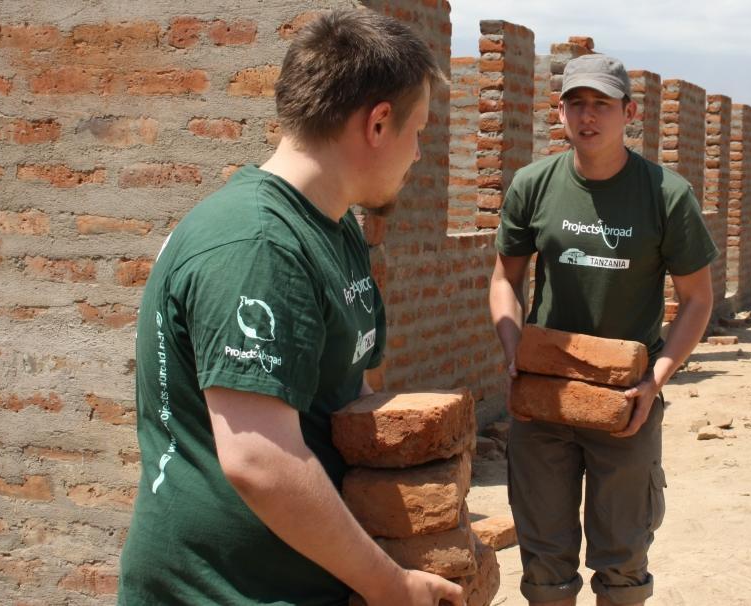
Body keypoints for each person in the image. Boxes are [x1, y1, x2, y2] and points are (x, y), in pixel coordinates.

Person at [118, 10, 463, 606]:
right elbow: (259, 459)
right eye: (420, 130)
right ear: (379, 122)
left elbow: (344, 395)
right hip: (223, 591)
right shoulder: (258, 245)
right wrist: (390, 585)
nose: (419, 152)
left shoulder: (333, 227)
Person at [488, 54, 718, 606]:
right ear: (560, 113)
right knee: (544, 561)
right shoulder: (533, 185)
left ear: (629, 112)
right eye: (576, 104)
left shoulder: (666, 195)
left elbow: (697, 300)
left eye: (601, 105)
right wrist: (512, 343)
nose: (588, 117)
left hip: (625, 404)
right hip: (543, 400)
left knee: (623, 560)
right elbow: (504, 280)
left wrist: (655, 382)